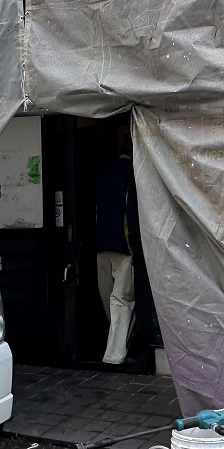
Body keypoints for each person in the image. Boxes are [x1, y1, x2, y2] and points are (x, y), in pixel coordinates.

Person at [95, 135, 137, 365]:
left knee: (108, 298)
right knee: (121, 300)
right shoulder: (134, 173)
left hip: (101, 244)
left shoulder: (104, 173)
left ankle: (116, 343)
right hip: (124, 246)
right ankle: (115, 353)